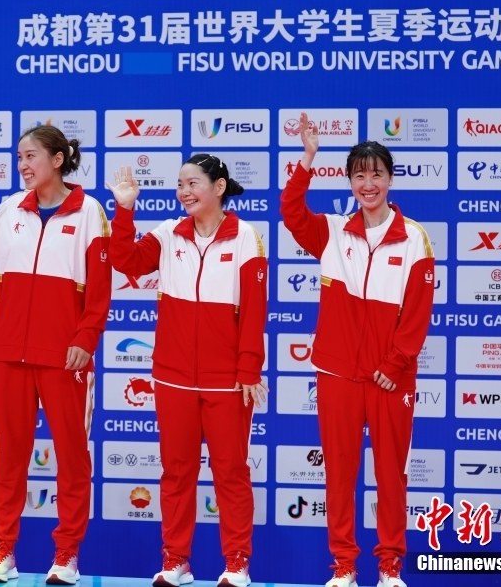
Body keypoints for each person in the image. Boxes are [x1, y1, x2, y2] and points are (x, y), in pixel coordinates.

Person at [0, 124, 111, 585]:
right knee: (9, 457)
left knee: (72, 457)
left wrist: (84, 338)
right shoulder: (8, 209)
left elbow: (99, 290)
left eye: (31, 155)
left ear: (57, 160)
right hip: (8, 353)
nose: (22, 164)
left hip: (65, 356)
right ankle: (3, 551)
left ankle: (67, 555)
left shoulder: (90, 212)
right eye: (19, 156)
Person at [280, 113, 435, 587]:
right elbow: (290, 211)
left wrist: (394, 364)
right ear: (349, 181)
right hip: (337, 376)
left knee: (391, 478)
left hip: (391, 379)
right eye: (360, 175)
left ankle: (390, 566)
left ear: (390, 180)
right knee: (340, 476)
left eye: (377, 174)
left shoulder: (415, 239)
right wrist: (308, 159)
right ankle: (344, 566)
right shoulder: (330, 232)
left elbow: (417, 311)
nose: (368, 184)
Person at [107, 155, 268, 587]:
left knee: (230, 472)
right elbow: (127, 261)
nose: (184, 192)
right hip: (173, 376)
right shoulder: (167, 233)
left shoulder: (247, 238)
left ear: (218, 187)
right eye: (180, 184)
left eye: (193, 183)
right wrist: (124, 210)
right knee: (176, 472)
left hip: (227, 381)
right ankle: (176, 560)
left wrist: (249, 369)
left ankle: (237, 563)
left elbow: (254, 312)